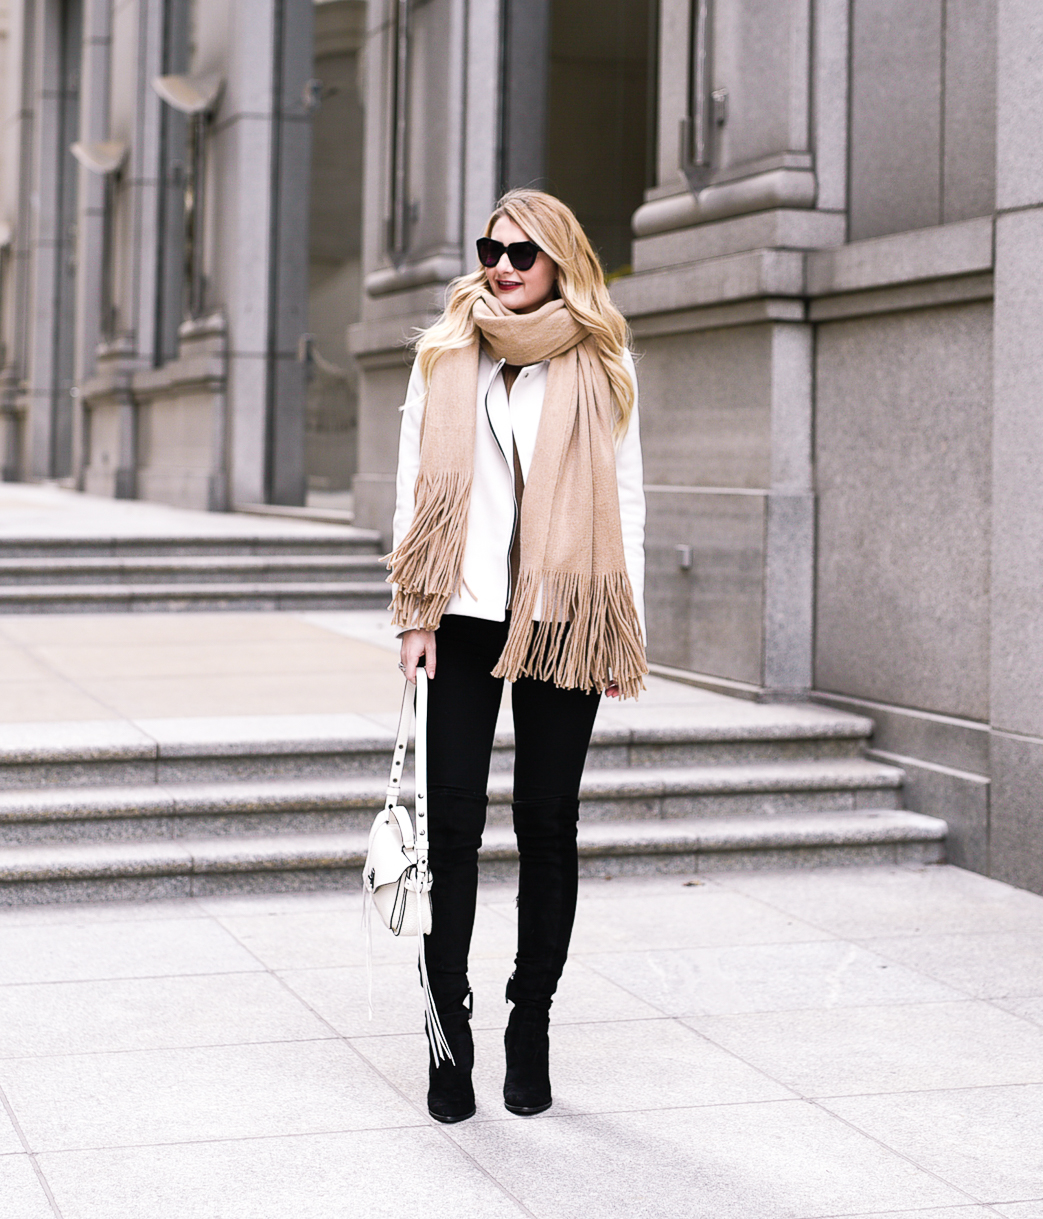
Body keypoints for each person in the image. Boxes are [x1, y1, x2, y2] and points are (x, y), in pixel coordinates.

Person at [388, 188, 647, 1123]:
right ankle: (447, 1028)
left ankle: (528, 1018)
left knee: (548, 825)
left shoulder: (601, 363)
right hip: (460, 617)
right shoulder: (445, 353)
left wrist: (621, 625)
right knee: (451, 829)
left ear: (561, 261)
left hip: (563, 615)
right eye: (491, 247)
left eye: (522, 252)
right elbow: (416, 488)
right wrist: (412, 613)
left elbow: (628, 503)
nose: (501, 265)